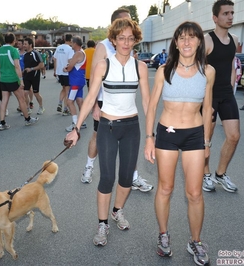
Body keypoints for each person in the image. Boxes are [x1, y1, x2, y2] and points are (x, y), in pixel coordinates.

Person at [65, 17, 150, 247]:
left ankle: (117, 211)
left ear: (136, 40)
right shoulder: (104, 64)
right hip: (108, 127)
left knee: (126, 178)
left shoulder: (140, 67)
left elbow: (146, 102)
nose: (125, 42)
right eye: (121, 38)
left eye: (130, 38)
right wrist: (76, 129)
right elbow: (91, 96)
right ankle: (102, 223)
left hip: (131, 127)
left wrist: (151, 135)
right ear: (113, 39)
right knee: (107, 178)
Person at [144, 21, 213, 266]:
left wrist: (206, 142)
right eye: (182, 38)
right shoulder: (164, 70)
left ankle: (195, 241)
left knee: (194, 193)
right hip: (168, 133)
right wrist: (149, 138)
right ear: (175, 42)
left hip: (194, 134)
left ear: (198, 42)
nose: (186, 42)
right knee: (165, 188)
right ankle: (163, 236)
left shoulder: (208, 72)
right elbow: (152, 106)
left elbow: (208, 110)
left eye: (192, 38)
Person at [80, 8, 153, 192]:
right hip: (105, 102)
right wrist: (95, 105)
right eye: (124, 22)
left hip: (125, 104)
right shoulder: (103, 46)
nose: (128, 29)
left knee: (129, 144)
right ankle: (89, 166)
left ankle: (132, 176)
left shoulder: (128, 46)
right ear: (115, 26)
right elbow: (93, 77)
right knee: (98, 137)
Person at [202, 0, 239, 193]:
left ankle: (220, 174)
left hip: (226, 94)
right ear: (215, 18)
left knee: (234, 136)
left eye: (232, 13)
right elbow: (198, 70)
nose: (230, 17)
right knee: (207, 138)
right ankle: (205, 174)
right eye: (226, 13)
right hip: (209, 96)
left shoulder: (234, 39)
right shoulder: (206, 40)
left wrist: (232, 88)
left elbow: (232, 66)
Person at [0, 32, 38, 131]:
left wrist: (4, 71)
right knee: (21, 99)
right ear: (14, 41)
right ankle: (27, 119)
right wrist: (21, 80)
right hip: (13, 79)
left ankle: (2, 123)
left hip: (3, 79)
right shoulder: (14, 50)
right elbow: (17, 66)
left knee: (4, 100)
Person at [64, 35, 87, 132]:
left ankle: (75, 124)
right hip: (80, 80)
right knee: (79, 101)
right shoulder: (82, 52)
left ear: (75, 44)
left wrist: (65, 68)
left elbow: (69, 67)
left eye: (72, 43)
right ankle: (82, 122)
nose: (71, 45)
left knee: (69, 102)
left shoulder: (77, 53)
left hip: (75, 82)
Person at [23, 37, 45, 115]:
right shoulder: (25, 55)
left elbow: (42, 65)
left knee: (36, 93)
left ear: (30, 45)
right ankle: (28, 108)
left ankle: (41, 107)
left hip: (35, 76)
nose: (24, 45)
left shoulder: (35, 53)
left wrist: (32, 69)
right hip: (26, 77)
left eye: (25, 44)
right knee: (25, 93)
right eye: (23, 44)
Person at [53, 34, 74, 115]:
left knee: (64, 88)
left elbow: (55, 59)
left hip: (59, 72)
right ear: (71, 40)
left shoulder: (59, 47)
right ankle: (65, 109)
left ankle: (60, 103)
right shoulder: (70, 49)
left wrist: (55, 71)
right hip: (66, 71)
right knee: (67, 90)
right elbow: (70, 60)